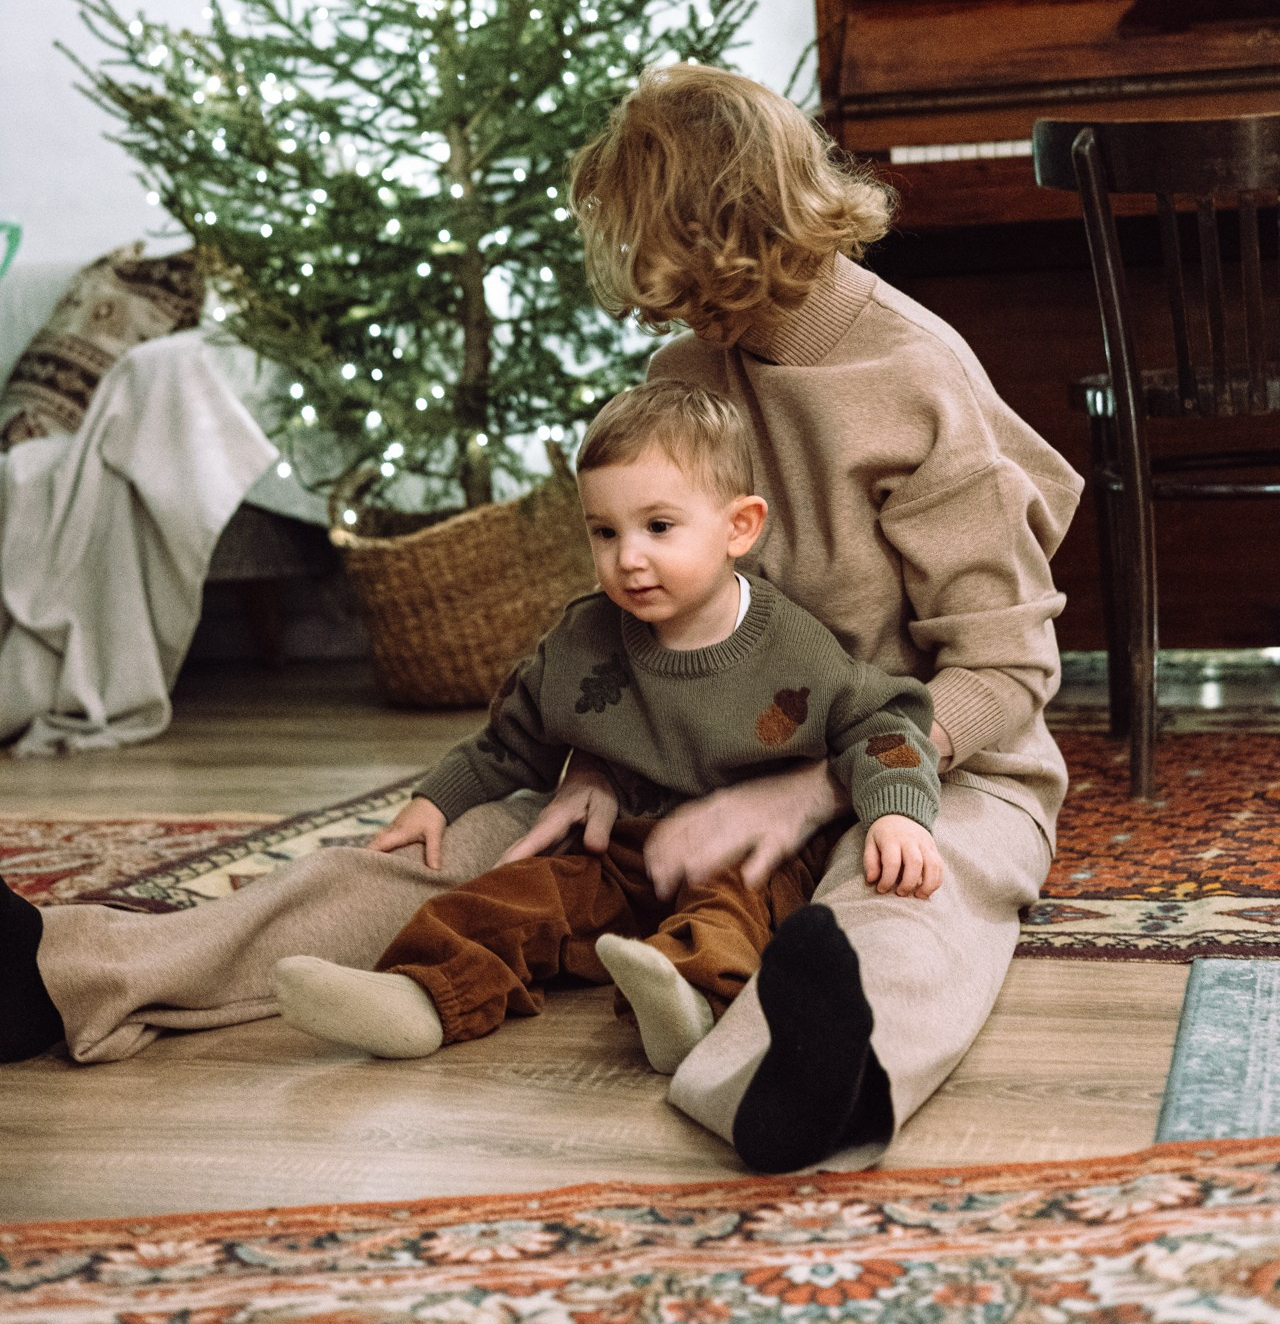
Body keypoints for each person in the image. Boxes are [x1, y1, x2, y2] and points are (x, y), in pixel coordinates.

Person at [6, 62, 1081, 1177]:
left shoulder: (915, 376)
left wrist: (810, 788)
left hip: (913, 755)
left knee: (902, 894)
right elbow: (655, 595)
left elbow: (1006, 668)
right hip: (691, 746)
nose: (645, 290)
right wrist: (601, 756)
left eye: (654, 250)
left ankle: (784, 1085)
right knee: (458, 849)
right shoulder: (688, 366)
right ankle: (63, 975)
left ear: (719, 227)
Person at [271, 379, 942, 1077]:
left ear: (738, 527)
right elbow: (513, 740)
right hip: (619, 853)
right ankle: (421, 993)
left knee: (728, 911)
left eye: (658, 528)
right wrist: (436, 799)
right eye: (604, 532)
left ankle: (684, 1000)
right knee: (514, 896)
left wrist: (898, 813)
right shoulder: (583, 638)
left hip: (746, 854)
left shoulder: (793, 648)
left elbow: (885, 725)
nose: (628, 558)